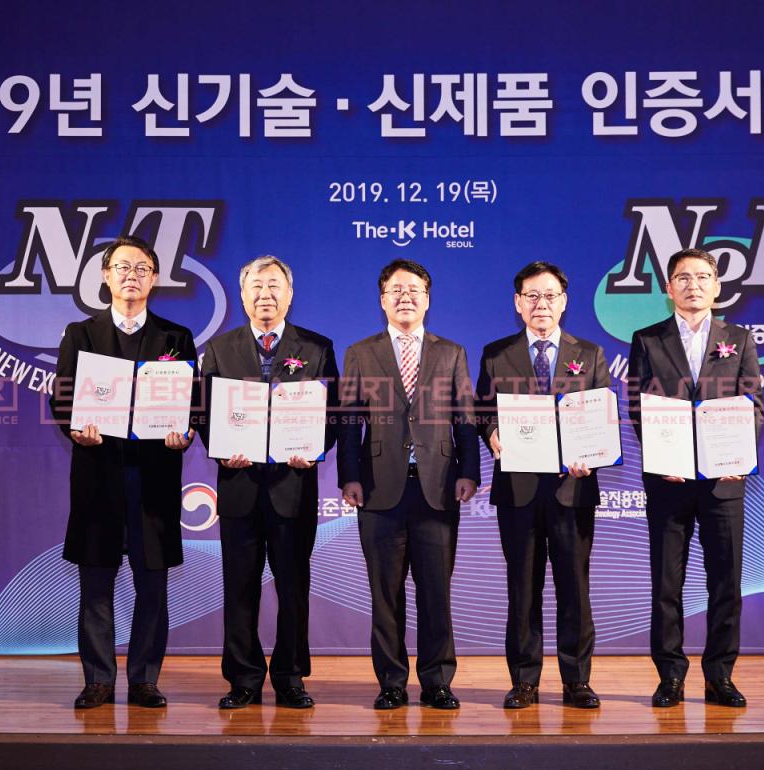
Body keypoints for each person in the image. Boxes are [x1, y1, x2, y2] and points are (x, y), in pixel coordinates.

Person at [51, 234, 197, 709]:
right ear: (105, 276)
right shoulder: (81, 334)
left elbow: (192, 402)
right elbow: (62, 397)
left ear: (154, 279)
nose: (131, 276)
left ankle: (144, 680)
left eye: (141, 269)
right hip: (99, 474)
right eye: (122, 267)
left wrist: (186, 432)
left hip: (155, 477)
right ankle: (98, 679)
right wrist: (76, 429)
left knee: (152, 584)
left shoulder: (176, 338)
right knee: (96, 583)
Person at [626, 247, 764, 708]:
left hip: (723, 481)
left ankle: (720, 675)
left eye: (703, 276)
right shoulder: (647, 339)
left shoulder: (739, 339)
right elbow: (637, 407)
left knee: (725, 581)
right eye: (683, 278)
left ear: (717, 286)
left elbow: (754, 405)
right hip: (669, 481)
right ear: (669, 288)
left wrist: (740, 454)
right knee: (667, 584)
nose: (694, 285)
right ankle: (670, 676)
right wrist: (660, 455)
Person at [338, 259, 479, 710]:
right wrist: (349, 476)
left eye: (414, 289)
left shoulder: (451, 352)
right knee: (386, 595)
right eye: (396, 290)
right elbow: (348, 422)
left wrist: (469, 471)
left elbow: (466, 418)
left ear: (428, 299)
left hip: (437, 488)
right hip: (378, 488)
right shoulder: (361, 352)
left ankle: (437, 681)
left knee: (436, 593)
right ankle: (392, 682)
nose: (405, 297)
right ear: (382, 299)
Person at [198, 255, 338, 709]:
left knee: (293, 588)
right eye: (256, 286)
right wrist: (221, 448)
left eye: (274, 285)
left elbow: (333, 414)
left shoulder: (316, 347)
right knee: (239, 588)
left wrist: (314, 447)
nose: (265, 294)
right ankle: (243, 678)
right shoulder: (220, 348)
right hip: (239, 486)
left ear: (290, 294)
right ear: (242, 296)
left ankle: (291, 677)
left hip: (292, 487)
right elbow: (204, 413)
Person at [476, 261, 610, 710]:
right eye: (531, 296)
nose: (541, 304)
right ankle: (524, 680)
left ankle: (577, 680)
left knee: (575, 589)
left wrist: (591, 454)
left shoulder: (589, 353)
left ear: (564, 302)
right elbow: (481, 410)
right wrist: (491, 432)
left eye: (550, 295)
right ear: (517, 303)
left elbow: (601, 416)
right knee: (523, 589)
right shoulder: (496, 354)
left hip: (573, 490)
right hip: (518, 490)